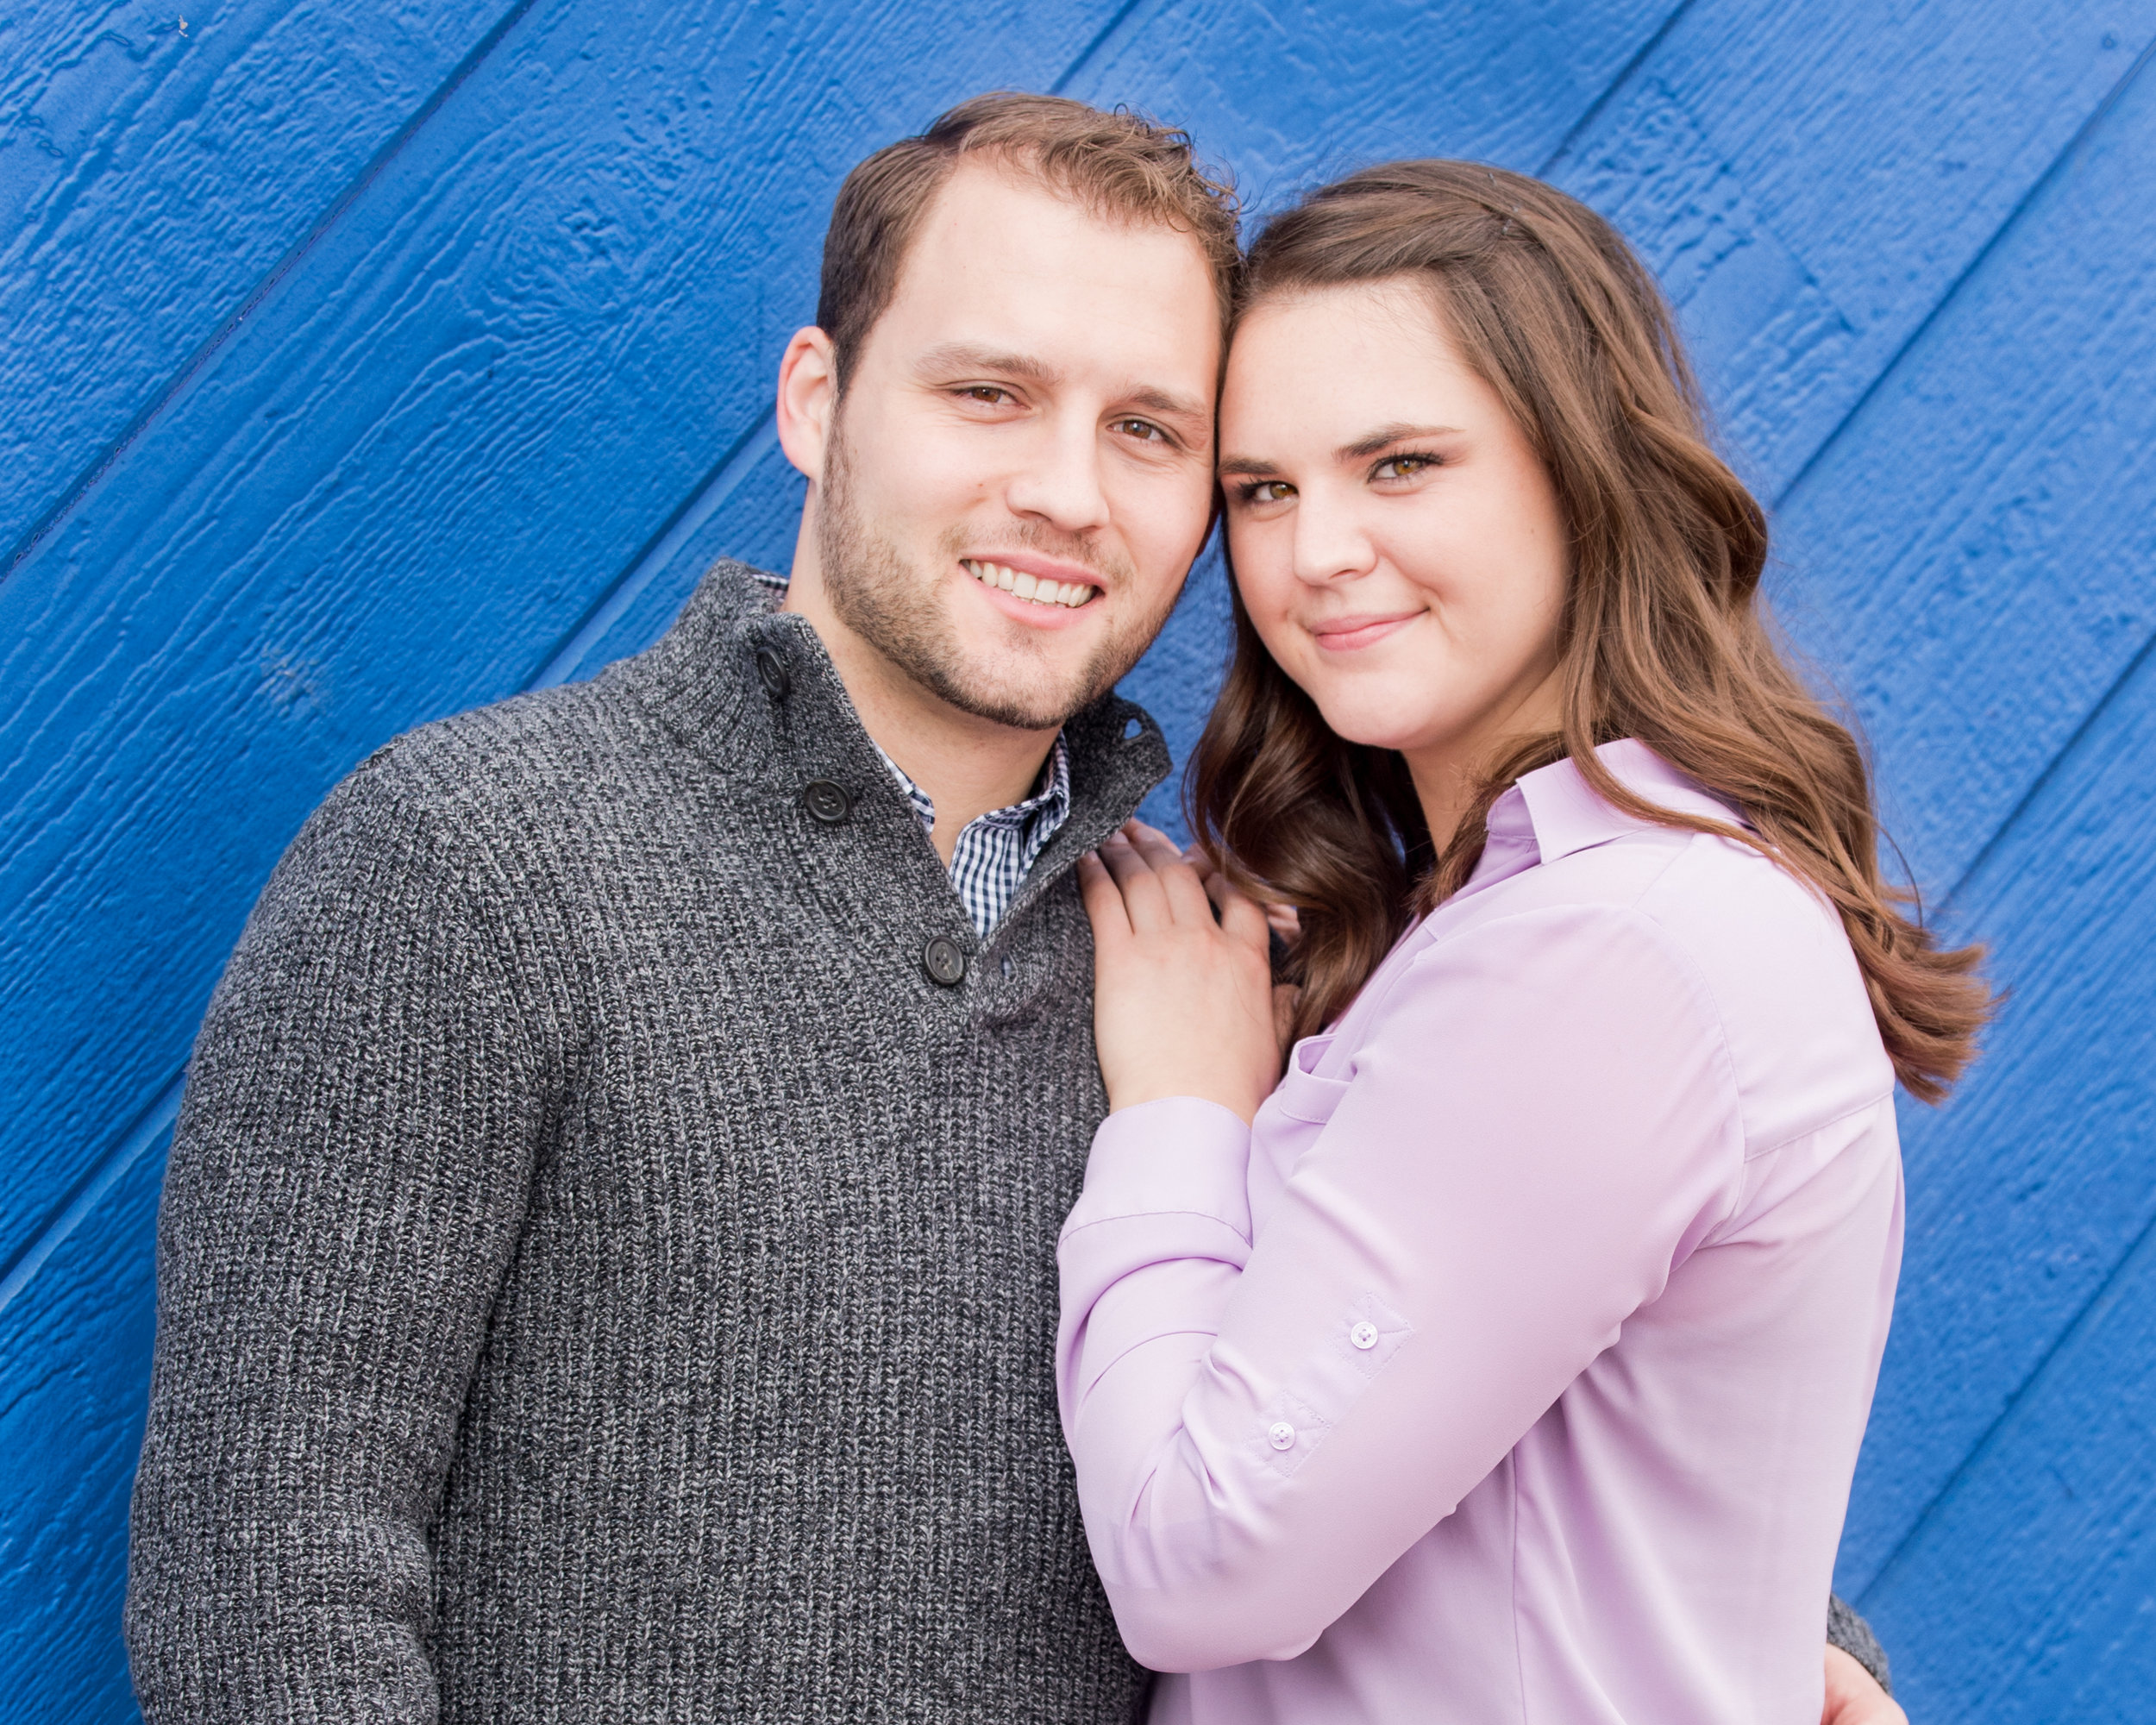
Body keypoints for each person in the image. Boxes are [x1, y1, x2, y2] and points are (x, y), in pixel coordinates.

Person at [124, 92, 1900, 1721]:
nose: (1064, 491)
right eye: (988, 394)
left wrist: (1786, 1641)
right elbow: (267, 1590)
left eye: (1149, 432)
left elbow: (1455, 1386)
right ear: (817, 399)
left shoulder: (1218, 965)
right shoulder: (476, 862)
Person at [1062, 160, 1986, 1722]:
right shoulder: (1540, 908)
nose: (1318, 551)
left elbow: (1197, 1562)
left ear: (1584, 473)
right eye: (1265, 489)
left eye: (1402, 464)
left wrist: (1175, 1114)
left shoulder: (1614, 949)